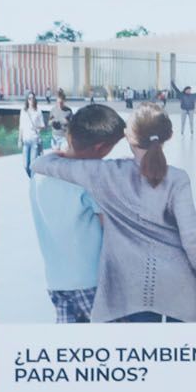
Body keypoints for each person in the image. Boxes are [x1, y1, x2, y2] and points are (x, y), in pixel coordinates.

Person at [31, 104, 196, 323]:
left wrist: (54, 155)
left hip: (117, 285)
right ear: (170, 135)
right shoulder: (178, 178)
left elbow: (40, 164)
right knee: (176, 351)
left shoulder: (104, 174)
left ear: (129, 137)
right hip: (174, 280)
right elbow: (193, 236)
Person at [28, 103, 123, 322]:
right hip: (92, 282)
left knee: (71, 349)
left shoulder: (40, 171)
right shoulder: (90, 179)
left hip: (57, 281)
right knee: (112, 346)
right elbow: (111, 231)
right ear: (101, 147)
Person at [18, 93, 45, 176]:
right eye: (29, 98)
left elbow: (43, 125)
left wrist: (36, 127)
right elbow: (21, 126)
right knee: (26, 165)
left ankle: (33, 182)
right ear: (27, 100)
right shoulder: (23, 111)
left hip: (34, 140)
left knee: (32, 165)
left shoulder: (38, 111)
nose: (31, 100)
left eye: (33, 98)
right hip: (25, 140)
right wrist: (19, 139)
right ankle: (32, 178)